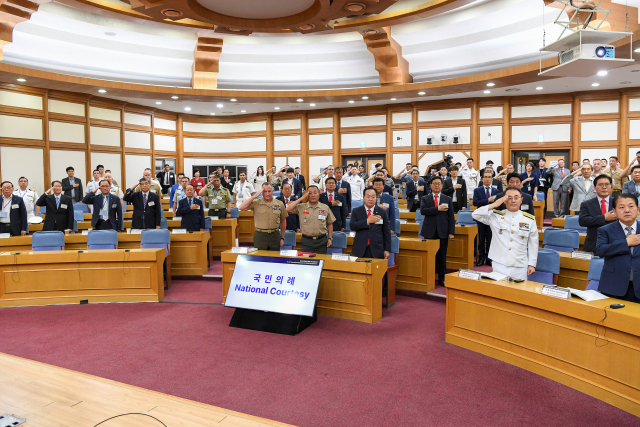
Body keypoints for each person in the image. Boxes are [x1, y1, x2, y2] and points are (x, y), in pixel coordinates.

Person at [472, 188, 538, 280]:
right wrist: (494, 204)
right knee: (498, 292)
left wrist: (532, 264)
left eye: (516, 197)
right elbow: (475, 214)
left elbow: (533, 243)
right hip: (499, 263)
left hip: (519, 265)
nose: (513, 201)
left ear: (521, 200)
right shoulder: (495, 216)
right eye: (509, 198)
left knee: (518, 292)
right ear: (504, 200)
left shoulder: (529, 219)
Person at [595, 193, 640, 303]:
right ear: (614, 211)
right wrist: (626, 243)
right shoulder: (605, 230)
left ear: (638, 209)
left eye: (631, 206)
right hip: (614, 285)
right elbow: (601, 250)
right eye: (621, 207)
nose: (627, 210)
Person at [420, 176, 455, 287]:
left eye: (439, 183)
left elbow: (451, 217)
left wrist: (451, 232)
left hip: (443, 231)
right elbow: (423, 211)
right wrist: (437, 209)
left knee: (442, 256)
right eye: (434, 183)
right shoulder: (426, 198)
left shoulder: (447, 198)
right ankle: (428, 277)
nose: (436, 185)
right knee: (429, 256)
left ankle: (442, 278)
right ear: (430, 185)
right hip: (429, 231)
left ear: (442, 185)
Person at [286, 185, 335, 254]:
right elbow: (288, 209)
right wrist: (301, 198)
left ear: (319, 194)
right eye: (310, 193)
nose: (313, 195)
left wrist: (330, 238)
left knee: (321, 261)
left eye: (315, 193)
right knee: (306, 262)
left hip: (321, 241)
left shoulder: (325, 207)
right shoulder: (301, 207)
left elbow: (330, 223)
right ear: (307, 195)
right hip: (307, 241)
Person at [239, 183, 287, 251]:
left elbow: (283, 221)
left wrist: (282, 238)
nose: (267, 193)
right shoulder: (256, 203)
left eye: (269, 191)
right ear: (261, 192)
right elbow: (241, 207)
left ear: (272, 191)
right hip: (260, 236)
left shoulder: (279, 204)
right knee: (260, 258)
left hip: (275, 235)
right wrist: (254, 196)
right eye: (265, 191)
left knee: (274, 259)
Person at [579, 174, 617, 254]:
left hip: (614, 243)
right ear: (595, 188)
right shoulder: (586, 204)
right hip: (593, 244)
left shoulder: (618, 203)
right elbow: (582, 221)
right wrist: (603, 218)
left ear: (611, 187)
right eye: (600, 184)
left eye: (607, 184)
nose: (604, 187)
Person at [350, 187, 390, 260]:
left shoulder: (382, 212)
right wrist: (367, 221)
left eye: (373, 197)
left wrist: (387, 249)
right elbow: (352, 226)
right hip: (360, 248)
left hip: (377, 249)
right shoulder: (356, 211)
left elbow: (386, 232)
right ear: (363, 197)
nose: (370, 199)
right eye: (368, 196)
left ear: (376, 198)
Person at [473, 171, 502, 266]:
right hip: (481, 218)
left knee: (490, 238)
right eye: (485, 177)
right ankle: (481, 257)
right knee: (481, 239)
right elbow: (475, 202)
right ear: (482, 179)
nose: (487, 179)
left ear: (492, 179)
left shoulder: (496, 191)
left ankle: (489, 258)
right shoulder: (477, 190)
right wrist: (488, 200)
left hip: (492, 218)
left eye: (489, 177)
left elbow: (498, 205)